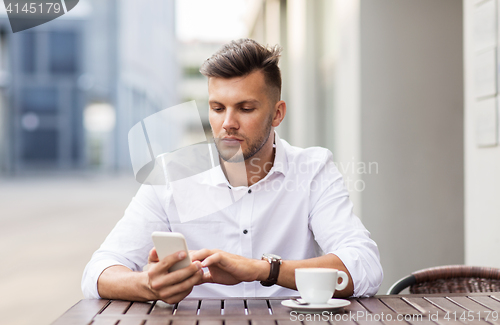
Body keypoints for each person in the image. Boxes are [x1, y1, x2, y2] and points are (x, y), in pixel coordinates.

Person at [82, 38, 383, 304]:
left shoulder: (312, 169)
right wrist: (148, 284)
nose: (228, 123)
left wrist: (263, 269)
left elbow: (365, 266)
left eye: (246, 108)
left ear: (277, 114)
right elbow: (98, 272)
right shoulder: (171, 174)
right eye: (217, 108)